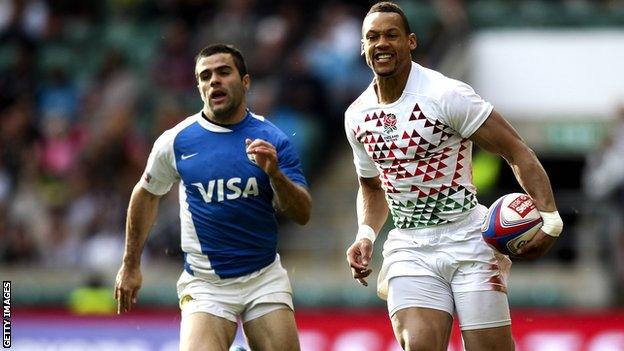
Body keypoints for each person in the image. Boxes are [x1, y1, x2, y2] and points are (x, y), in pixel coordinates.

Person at [344, 2, 563, 350]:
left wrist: (551, 221)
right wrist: (366, 234)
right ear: (362, 47)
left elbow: (516, 151)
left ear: (411, 41)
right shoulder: (356, 116)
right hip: (410, 247)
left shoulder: (445, 95)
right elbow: (371, 185)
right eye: (372, 37)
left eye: (391, 35)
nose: (381, 43)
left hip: (470, 240)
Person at [114, 44, 311, 351]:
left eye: (223, 72)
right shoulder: (177, 141)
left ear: (245, 82)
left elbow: (302, 214)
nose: (214, 81)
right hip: (207, 285)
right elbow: (146, 194)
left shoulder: (273, 139)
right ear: (199, 87)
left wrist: (275, 174)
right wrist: (130, 264)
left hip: (263, 278)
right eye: (205, 76)